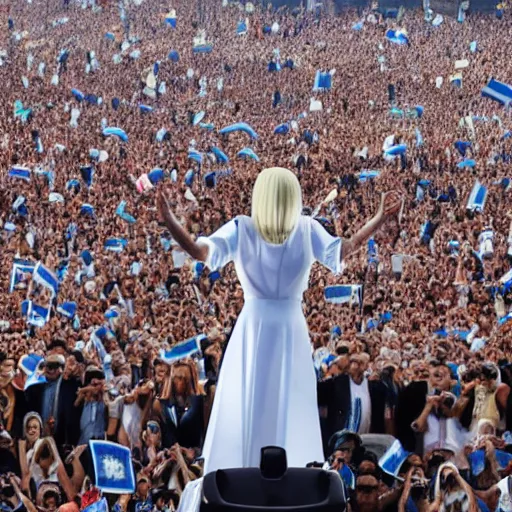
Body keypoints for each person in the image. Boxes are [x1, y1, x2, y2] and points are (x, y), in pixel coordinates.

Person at [157, 167, 401, 479]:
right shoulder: (303, 228)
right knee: (286, 406)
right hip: (289, 327)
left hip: (253, 327)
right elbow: (348, 247)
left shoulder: (245, 228)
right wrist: (379, 218)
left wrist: (170, 221)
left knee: (251, 404)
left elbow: (197, 251)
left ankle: (245, 478)